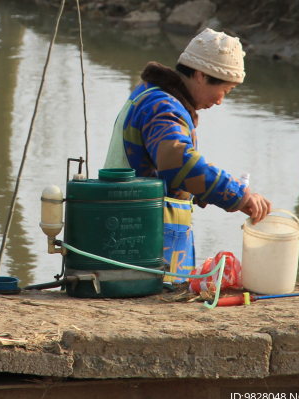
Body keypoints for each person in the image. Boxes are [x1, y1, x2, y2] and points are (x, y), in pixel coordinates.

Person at [103, 29, 273, 283]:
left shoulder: (149, 95)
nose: (219, 102)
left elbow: (161, 170)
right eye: (224, 91)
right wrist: (237, 194)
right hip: (142, 246)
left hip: (127, 235)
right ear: (201, 75)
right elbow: (177, 161)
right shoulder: (163, 106)